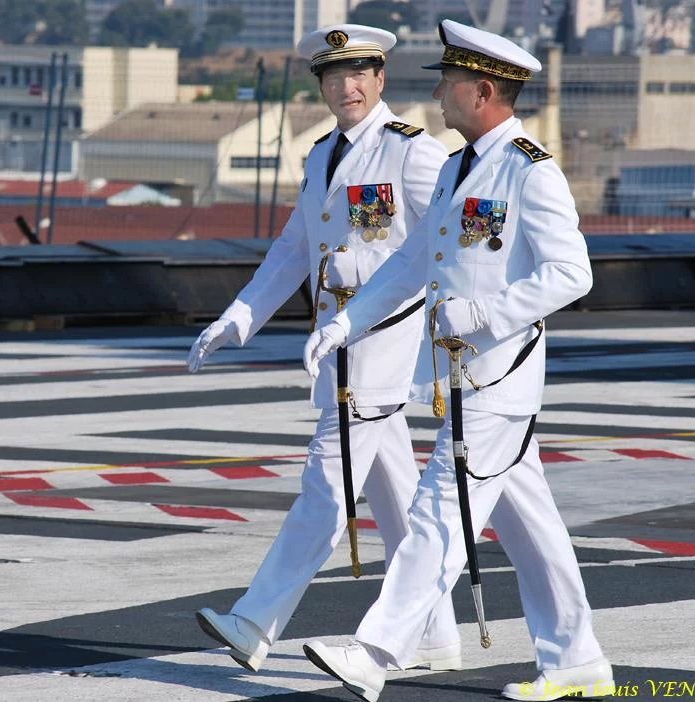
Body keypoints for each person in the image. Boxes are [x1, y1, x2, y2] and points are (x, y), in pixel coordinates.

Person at [301, 19, 614, 702]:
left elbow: (573, 273)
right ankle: (577, 659)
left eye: (447, 83)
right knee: (532, 529)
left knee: (441, 511)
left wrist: (490, 311)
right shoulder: (456, 168)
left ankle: (378, 648)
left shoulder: (530, 170)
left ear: (482, 91)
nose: (437, 95)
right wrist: (351, 320)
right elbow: (412, 262)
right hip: (464, 379)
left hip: (500, 373)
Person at [186, 24, 461, 674]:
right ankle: (434, 632)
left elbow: (445, 248)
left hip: (382, 347)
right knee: (396, 499)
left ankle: (255, 621)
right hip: (337, 350)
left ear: (381, 77)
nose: (349, 86)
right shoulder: (319, 156)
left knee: (325, 485)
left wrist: (375, 285)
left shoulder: (412, 154)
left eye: (361, 72)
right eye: (335, 75)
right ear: (323, 84)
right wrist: (239, 316)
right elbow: (291, 250)